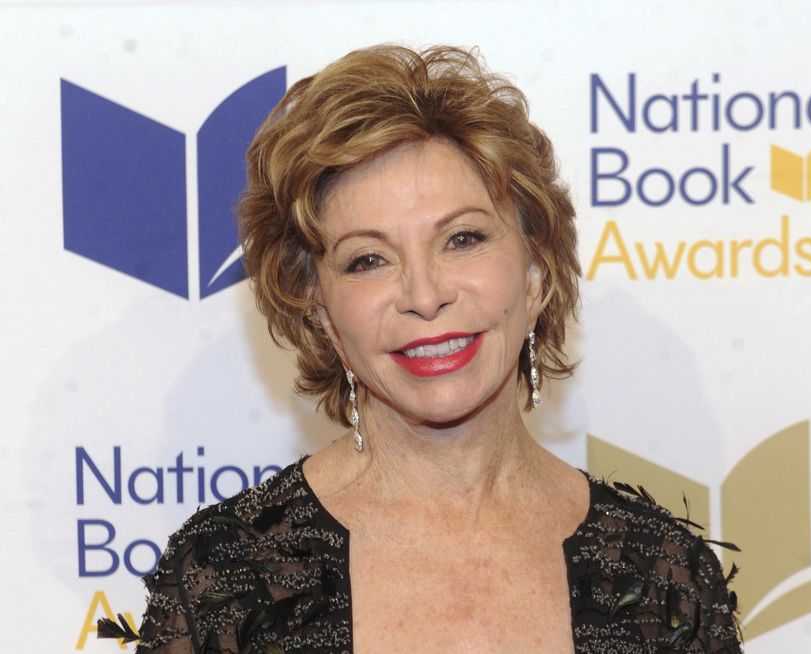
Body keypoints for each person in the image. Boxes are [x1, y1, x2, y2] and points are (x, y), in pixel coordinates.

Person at [106, 45, 741, 653]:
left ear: (535, 274)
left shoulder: (663, 578)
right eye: (368, 259)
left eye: (462, 239)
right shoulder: (228, 578)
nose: (425, 295)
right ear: (320, 313)